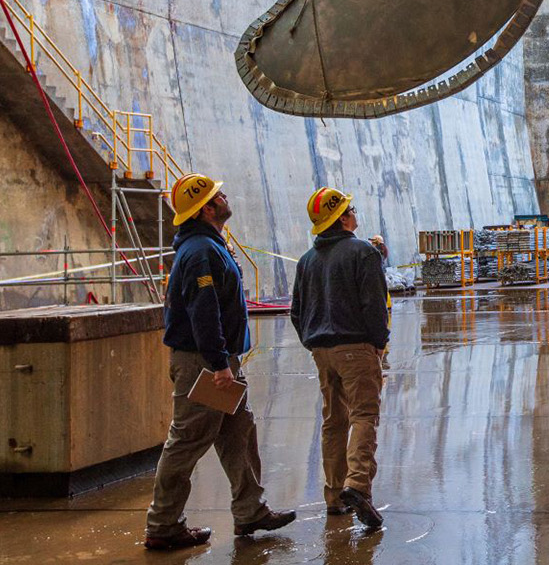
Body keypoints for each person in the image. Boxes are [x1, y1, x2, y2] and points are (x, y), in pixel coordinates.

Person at [144, 173, 296, 551]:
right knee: (187, 441)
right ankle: (163, 525)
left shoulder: (209, 246)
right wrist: (217, 365)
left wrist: (223, 361)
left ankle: (250, 510)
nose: (225, 197)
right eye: (218, 195)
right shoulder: (200, 252)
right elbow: (203, 312)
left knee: (238, 433)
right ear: (206, 208)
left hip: (217, 360)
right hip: (205, 364)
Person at [291, 187, 390, 530]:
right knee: (364, 415)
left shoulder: (306, 261)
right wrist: (379, 343)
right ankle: (357, 485)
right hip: (356, 348)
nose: (354, 213)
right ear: (343, 217)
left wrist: (313, 341)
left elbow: (296, 312)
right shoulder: (363, 253)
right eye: (351, 208)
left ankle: (334, 496)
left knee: (334, 421)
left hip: (322, 350)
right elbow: (375, 305)